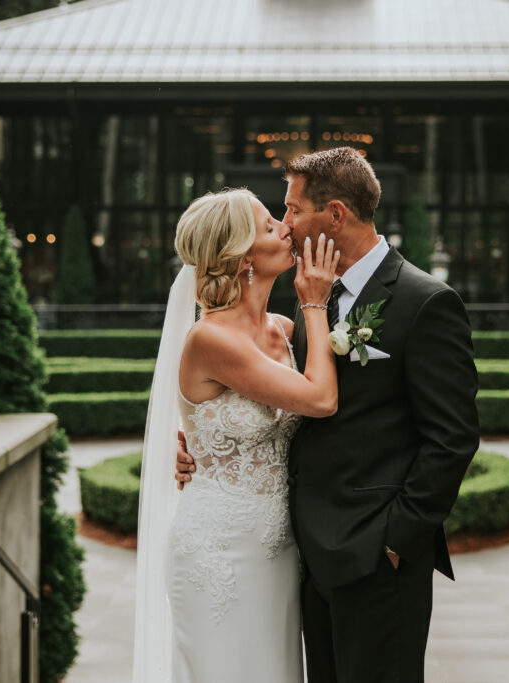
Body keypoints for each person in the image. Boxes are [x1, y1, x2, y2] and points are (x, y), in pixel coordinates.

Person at [177, 147, 480, 682]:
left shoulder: (425, 302)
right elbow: (243, 396)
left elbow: (452, 440)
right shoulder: (299, 302)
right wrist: (200, 449)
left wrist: (394, 542)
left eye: (292, 210)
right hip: (300, 556)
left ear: (335, 215)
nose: (286, 224)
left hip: (375, 559)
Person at [133, 188, 340, 683]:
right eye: (271, 226)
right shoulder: (211, 339)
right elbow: (320, 399)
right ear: (243, 255)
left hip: (280, 548)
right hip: (217, 552)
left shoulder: (283, 331)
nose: (287, 228)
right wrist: (316, 304)